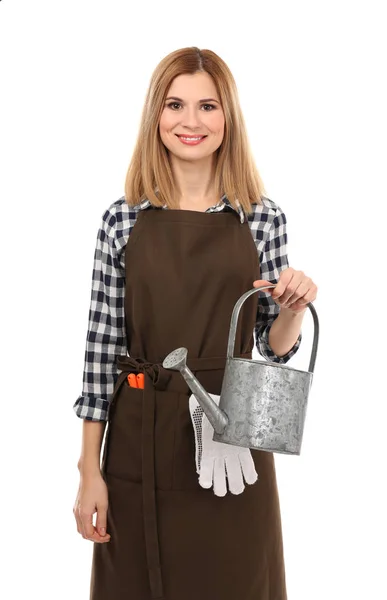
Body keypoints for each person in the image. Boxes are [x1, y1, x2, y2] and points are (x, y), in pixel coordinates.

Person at [73, 46, 318, 600]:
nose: (190, 121)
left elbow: (272, 349)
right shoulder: (122, 219)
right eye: (175, 104)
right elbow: (100, 354)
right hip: (141, 437)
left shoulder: (261, 217)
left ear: (227, 117)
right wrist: (90, 469)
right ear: (155, 116)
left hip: (231, 438)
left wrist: (293, 308)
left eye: (207, 106)